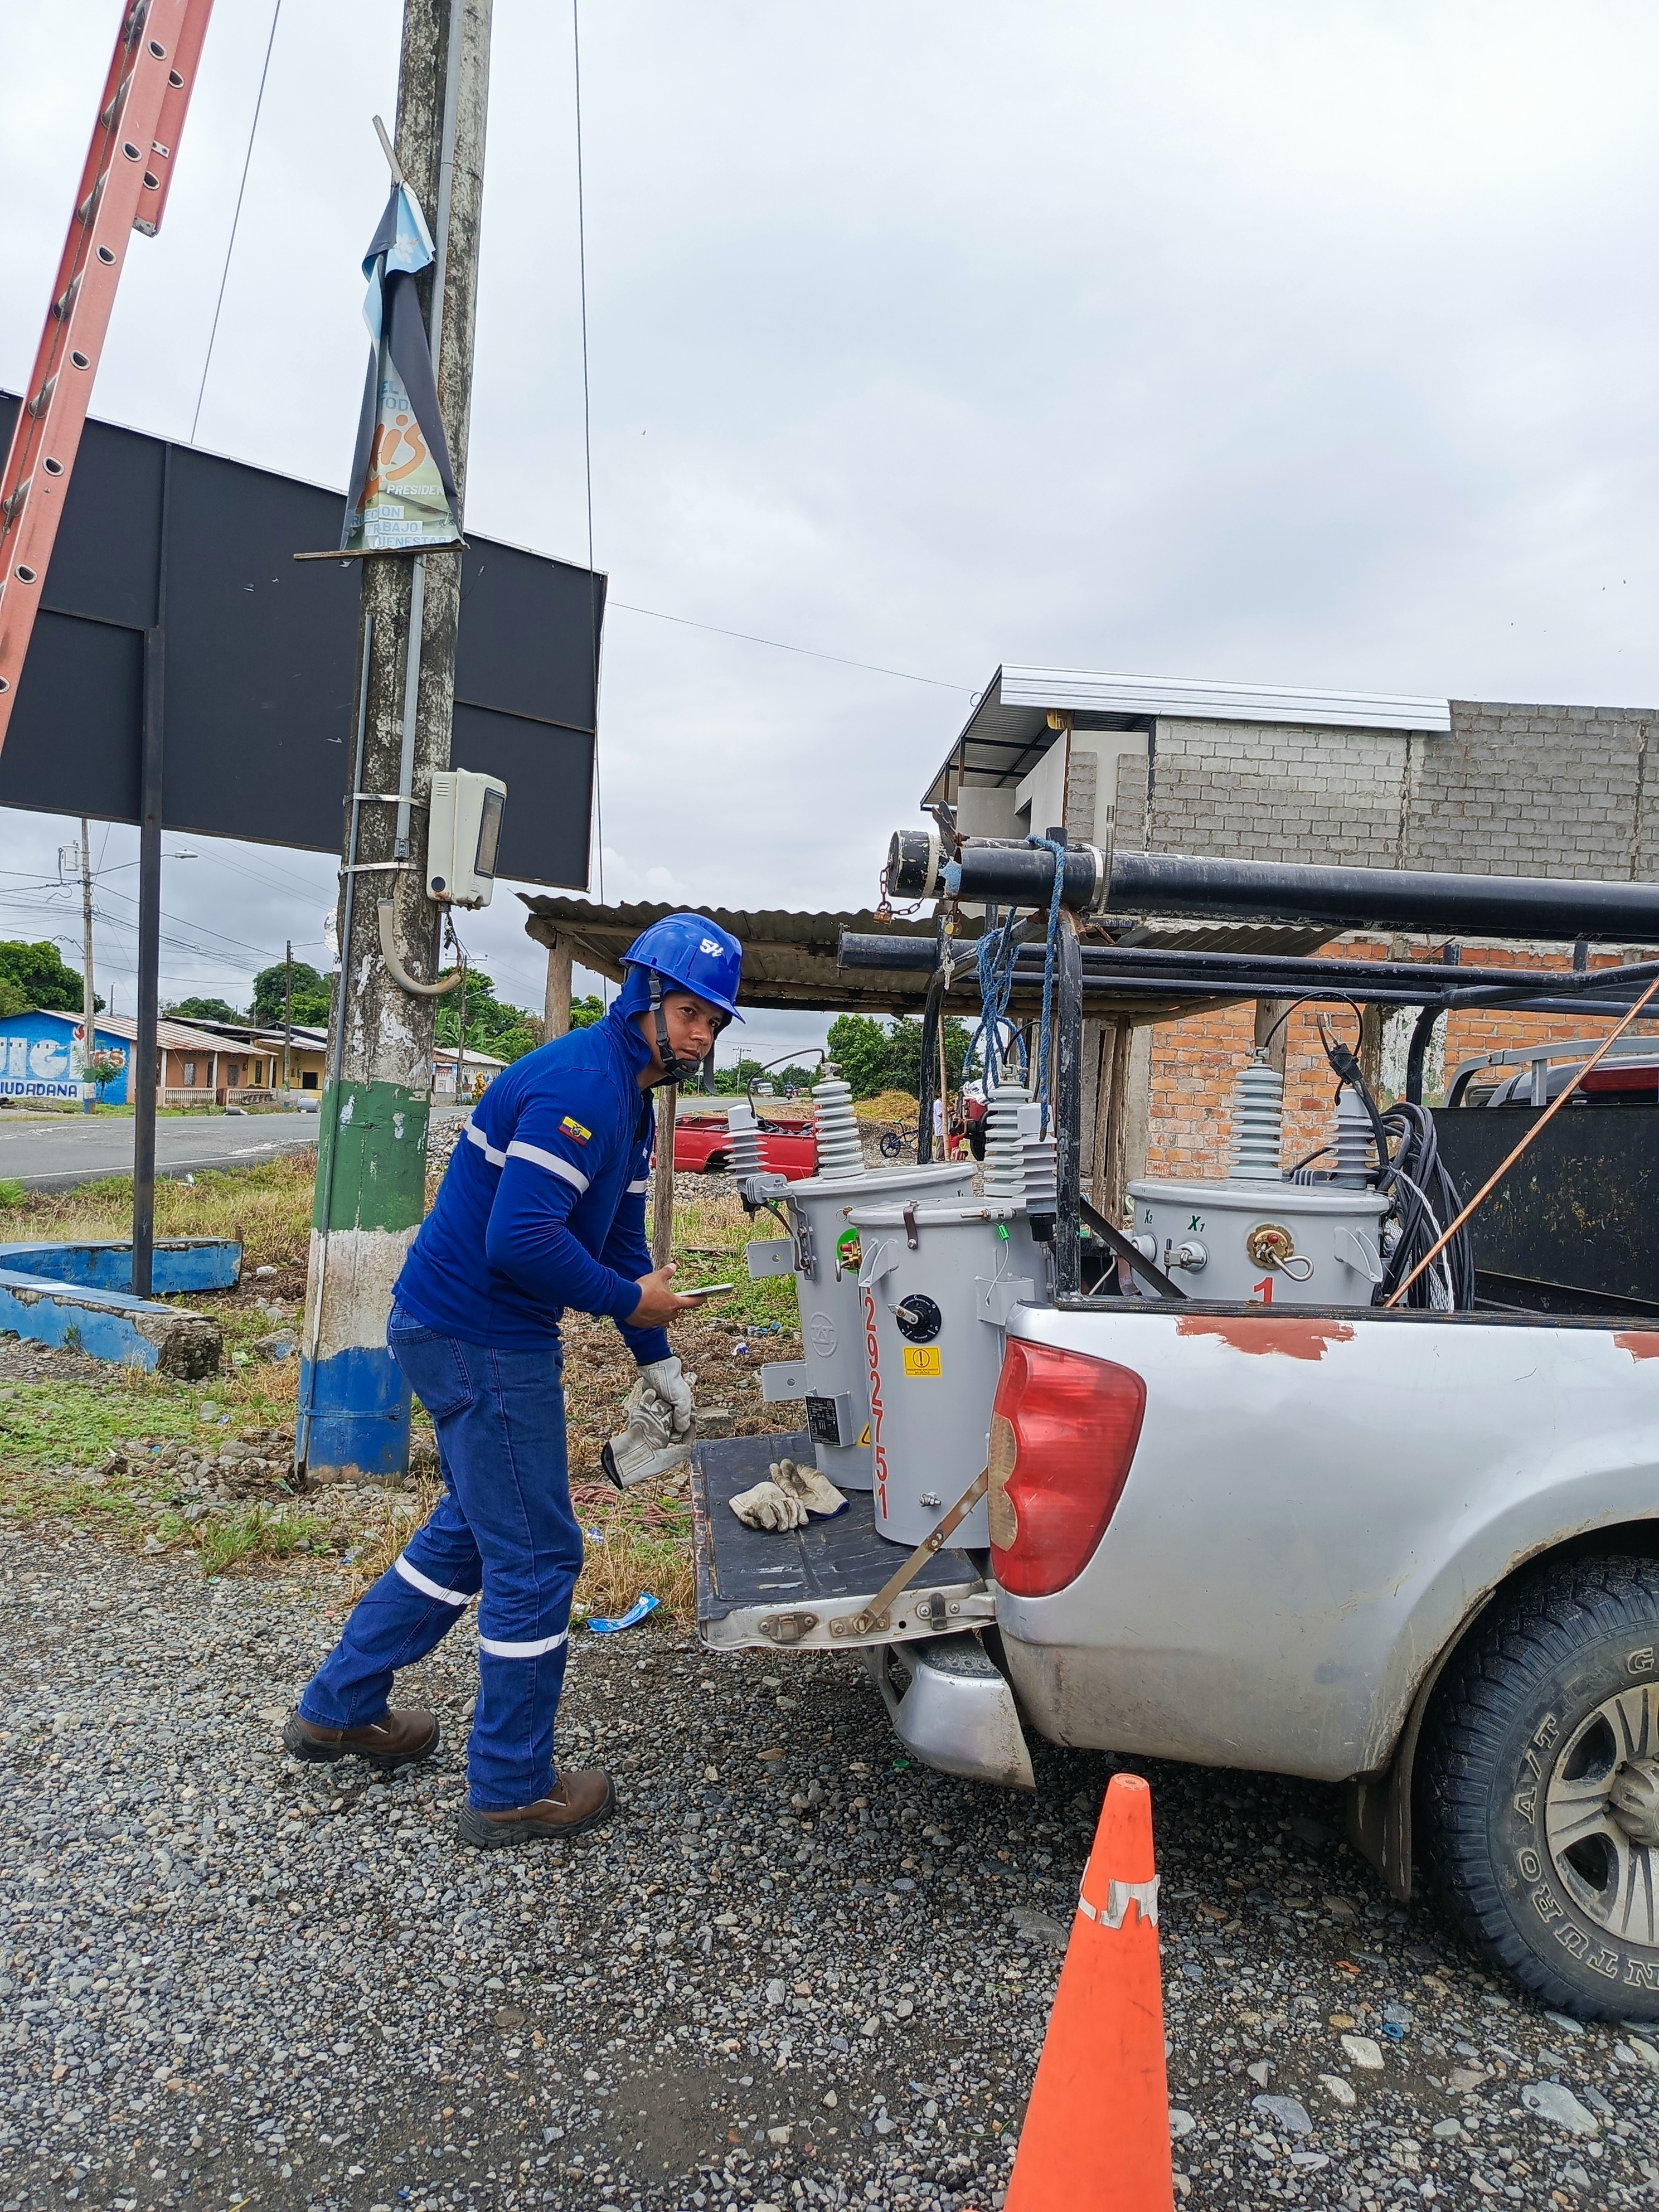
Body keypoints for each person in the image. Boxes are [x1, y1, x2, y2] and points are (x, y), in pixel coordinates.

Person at [282, 914, 744, 1847]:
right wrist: (631, 1302)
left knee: (472, 1530)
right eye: (691, 1014)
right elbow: (521, 1242)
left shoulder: (631, 1097)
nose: (702, 1036)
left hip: (469, 1328)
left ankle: (339, 1707)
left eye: (715, 1022)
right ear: (645, 997)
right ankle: (510, 1785)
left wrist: (657, 1359)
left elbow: (618, 1238)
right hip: (480, 1336)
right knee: (537, 1556)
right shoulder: (582, 1085)